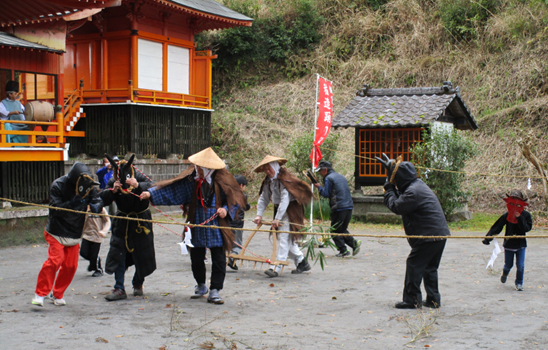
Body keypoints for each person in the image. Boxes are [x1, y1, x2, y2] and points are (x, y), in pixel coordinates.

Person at [140, 147, 246, 305]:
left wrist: (225, 209)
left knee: (218, 257)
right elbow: (173, 189)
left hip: (216, 222)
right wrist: (150, 193)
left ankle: (215, 290)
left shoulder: (223, 179)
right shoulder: (192, 180)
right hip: (196, 219)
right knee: (196, 256)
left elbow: (236, 198)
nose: (196, 169)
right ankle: (201, 285)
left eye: (199, 167)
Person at [376, 153, 450, 309]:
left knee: (414, 264)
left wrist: (388, 188)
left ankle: (412, 300)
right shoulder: (417, 185)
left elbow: (396, 206)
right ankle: (433, 300)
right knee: (430, 267)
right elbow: (400, 199)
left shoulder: (413, 192)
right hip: (438, 234)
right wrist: (390, 174)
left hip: (429, 236)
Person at [32, 162, 103, 307]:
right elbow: (54, 209)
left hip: (75, 232)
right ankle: (40, 293)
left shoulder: (89, 186)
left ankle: (57, 293)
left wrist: (96, 207)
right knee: (55, 260)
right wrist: (72, 203)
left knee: (71, 266)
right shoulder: (58, 185)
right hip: (56, 231)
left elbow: (97, 200)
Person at [101, 154, 156, 301]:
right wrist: (112, 190)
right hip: (123, 221)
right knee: (119, 253)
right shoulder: (114, 180)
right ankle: (119, 287)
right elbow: (103, 199)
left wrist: (138, 186)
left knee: (142, 253)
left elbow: (153, 185)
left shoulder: (139, 176)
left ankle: (138, 283)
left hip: (140, 220)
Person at [253, 155, 313, 277]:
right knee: (283, 238)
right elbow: (264, 198)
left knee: (283, 238)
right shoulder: (268, 181)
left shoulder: (285, 179)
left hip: (291, 211)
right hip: (279, 210)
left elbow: (285, 200)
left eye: (269, 168)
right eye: (265, 169)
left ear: (275, 166)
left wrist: (277, 218)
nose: (267, 171)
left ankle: (275, 266)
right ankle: (302, 261)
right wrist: (259, 215)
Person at [483, 190, 533, 291]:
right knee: (508, 265)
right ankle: (505, 273)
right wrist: (488, 238)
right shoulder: (507, 215)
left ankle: (519, 283)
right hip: (509, 244)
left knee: (520, 266)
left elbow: (527, 228)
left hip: (521, 244)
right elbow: (497, 227)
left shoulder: (526, 215)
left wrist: (520, 218)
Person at [314, 160, 361, 257]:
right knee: (342, 229)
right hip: (349, 206)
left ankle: (343, 250)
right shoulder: (341, 177)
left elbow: (326, 194)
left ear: (325, 170)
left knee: (334, 230)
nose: (320, 173)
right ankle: (354, 244)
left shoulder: (328, 178)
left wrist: (319, 187)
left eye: (320, 171)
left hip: (339, 207)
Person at [227, 175, 251, 270]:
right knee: (237, 244)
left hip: (227, 222)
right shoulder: (242, 195)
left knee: (229, 242)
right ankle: (232, 258)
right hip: (237, 223)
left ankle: (230, 259)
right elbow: (246, 207)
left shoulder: (227, 193)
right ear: (241, 185)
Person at [80, 207, 111, 277]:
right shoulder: (85, 208)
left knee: (94, 255)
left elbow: (107, 221)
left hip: (97, 235)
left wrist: (104, 231)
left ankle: (98, 269)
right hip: (87, 234)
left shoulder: (101, 209)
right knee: (83, 253)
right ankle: (93, 262)